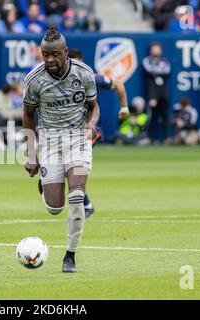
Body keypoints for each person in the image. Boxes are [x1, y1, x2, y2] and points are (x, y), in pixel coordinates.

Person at [23, 26, 126, 273]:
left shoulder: (84, 74)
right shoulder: (34, 79)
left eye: (55, 54)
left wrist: (91, 124)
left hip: (77, 138)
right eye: (45, 54)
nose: (49, 59)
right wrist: (31, 153)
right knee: (55, 208)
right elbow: (27, 115)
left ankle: (70, 255)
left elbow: (94, 106)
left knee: (77, 195)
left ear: (65, 52)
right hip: (49, 140)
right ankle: (45, 186)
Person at [66, 48, 129, 218]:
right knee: (69, 169)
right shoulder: (61, 81)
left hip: (90, 130)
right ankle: (84, 203)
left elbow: (119, 85)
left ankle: (85, 205)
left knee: (75, 167)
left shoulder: (93, 78)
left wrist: (124, 108)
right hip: (69, 132)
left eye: (76, 62)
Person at [142, 42, 171, 144]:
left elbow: (167, 71)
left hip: (163, 91)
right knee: (153, 116)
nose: (156, 51)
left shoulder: (164, 61)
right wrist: (159, 72)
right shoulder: (147, 61)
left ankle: (166, 138)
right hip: (153, 92)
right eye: (154, 49)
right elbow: (150, 71)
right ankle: (151, 138)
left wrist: (158, 72)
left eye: (157, 49)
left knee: (165, 116)